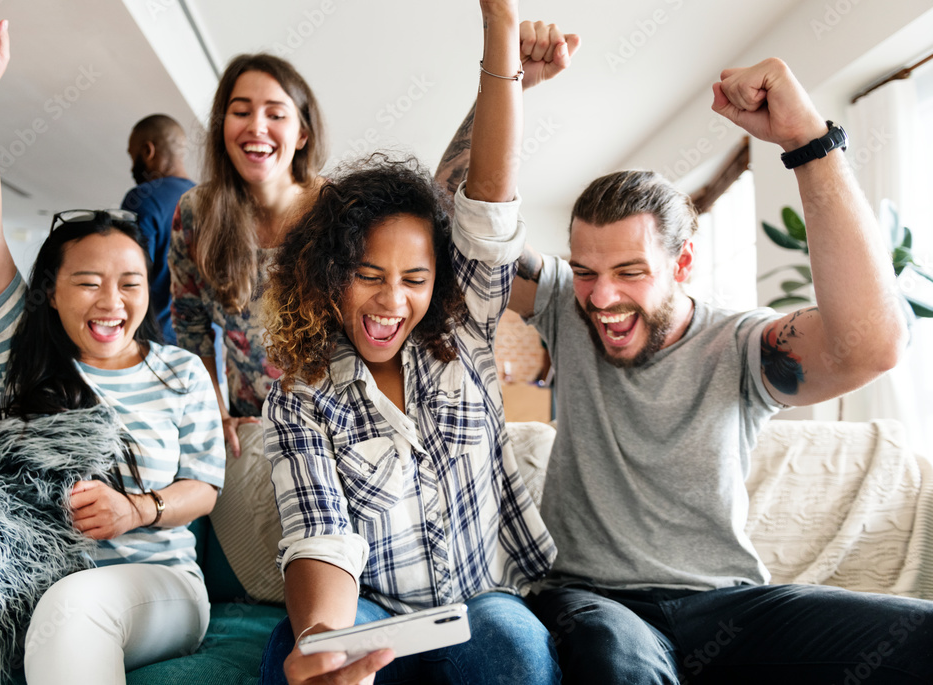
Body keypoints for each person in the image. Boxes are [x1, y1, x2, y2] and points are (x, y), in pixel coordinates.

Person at [437, 56, 933, 684]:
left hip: (727, 603)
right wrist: (501, 83)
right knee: (618, 659)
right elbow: (452, 232)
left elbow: (871, 346)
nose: (602, 297)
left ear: (684, 262)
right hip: (594, 601)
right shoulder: (566, 304)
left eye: (631, 272)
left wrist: (808, 140)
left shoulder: (743, 345)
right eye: (587, 270)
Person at [257, 4, 575, 684]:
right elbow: (320, 530)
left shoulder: (464, 328)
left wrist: (500, 22)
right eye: (367, 275)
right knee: (299, 657)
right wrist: (323, 640)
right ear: (330, 274)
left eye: (414, 278)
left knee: (512, 648)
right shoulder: (300, 397)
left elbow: (487, 202)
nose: (390, 300)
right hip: (372, 612)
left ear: (442, 281)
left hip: (483, 602)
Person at [0, 21, 225, 684]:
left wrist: (137, 509)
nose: (111, 300)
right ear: (49, 292)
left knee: (73, 611)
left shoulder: (178, 371)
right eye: (87, 281)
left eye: (129, 282)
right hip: (29, 576)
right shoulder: (24, 355)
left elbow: (205, 487)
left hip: (159, 584)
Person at [168, 49, 325, 457]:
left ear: (302, 134)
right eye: (241, 112)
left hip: (335, 434)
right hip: (251, 435)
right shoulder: (195, 214)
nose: (257, 127)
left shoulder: (337, 211)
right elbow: (191, 330)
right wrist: (216, 414)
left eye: (276, 114)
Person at [121, 114, 195, 345]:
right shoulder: (215, 202)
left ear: (147, 151)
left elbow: (127, 280)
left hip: (155, 348)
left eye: (133, 157)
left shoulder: (144, 199)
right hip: (206, 355)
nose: (133, 167)